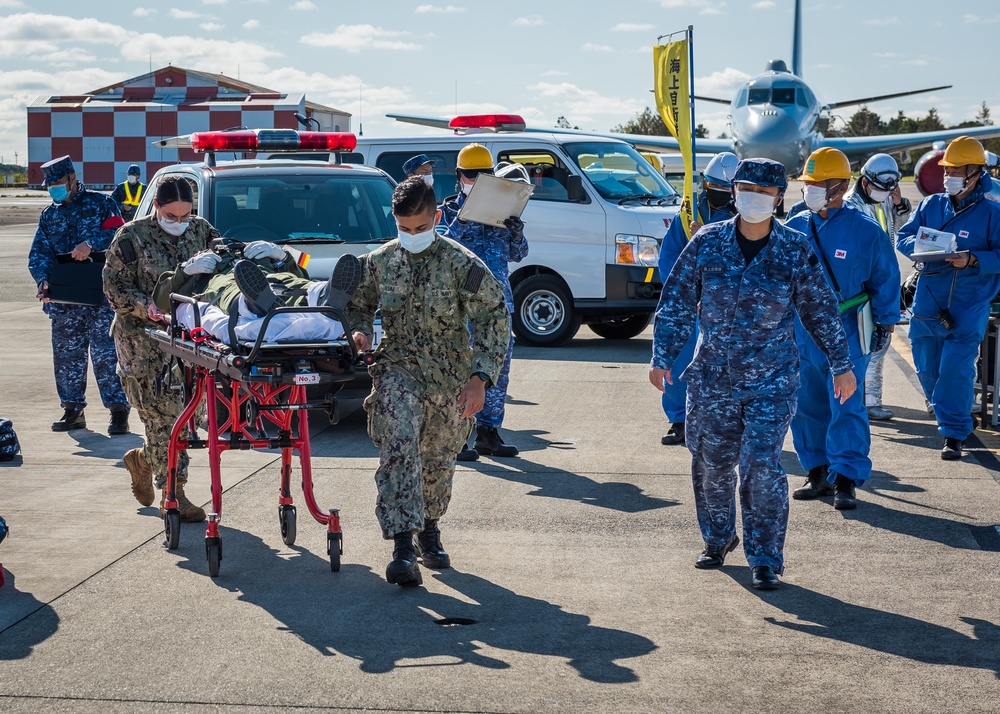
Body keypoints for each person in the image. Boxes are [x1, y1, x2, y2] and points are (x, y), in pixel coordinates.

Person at [648, 158, 855, 591]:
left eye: (763, 192)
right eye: (746, 189)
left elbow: (820, 310)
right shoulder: (707, 241)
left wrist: (842, 364)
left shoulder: (794, 249)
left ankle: (764, 558)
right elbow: (678, 301)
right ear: (734, 192)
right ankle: (718, 538)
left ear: (779, 198)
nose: (753, 198)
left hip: (772, 380)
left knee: (761, 466)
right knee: (711, 464)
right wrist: (662, 356)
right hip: (713, 379)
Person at [345, 177, 510, 587]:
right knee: (400, 447)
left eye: (420, 227)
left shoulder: (462, 264)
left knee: (437, 460)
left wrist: (480, 378)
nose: (412, 236)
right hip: (397, 368)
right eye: (404, 228)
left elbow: (493, 317)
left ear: (436, 217)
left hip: (450, 377)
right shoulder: (380, 262)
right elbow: (358, 304)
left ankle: (429, 529)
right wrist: (360, 330)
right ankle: (402, 546)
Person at [104, 176, 225, 522]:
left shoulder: (200, 231)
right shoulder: (132, 237)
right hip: (143, 342)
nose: (179, 223)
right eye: (171, 216)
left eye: (185, 216)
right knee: (163, 419)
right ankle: (174, 493)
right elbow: (114, 288)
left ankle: (142, 460)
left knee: (190, 417)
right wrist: (147, 307)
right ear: (156, 207)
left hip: (188, 341)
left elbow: (223, 263)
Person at [785, 148, 900, 510]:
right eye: (809, 183)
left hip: (848, 329)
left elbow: (885, 279)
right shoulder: (794, 227)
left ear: (841, 186)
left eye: (820, 184)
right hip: (803, 333)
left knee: (847, 405)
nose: (812, 190)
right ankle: (816, 471)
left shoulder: (866, 231)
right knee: (806, 404)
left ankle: (846, 477)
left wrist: (885, 322)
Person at [896, 136, 1000, 460]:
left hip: (969, 303)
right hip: (928, 299)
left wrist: (971, 259)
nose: (949, 176)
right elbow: (904, 237)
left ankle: (954, 434)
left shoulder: (992, 213)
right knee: (927, 368)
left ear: (975, 172)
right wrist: (921, 248)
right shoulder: (931, 205)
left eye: (956, 170)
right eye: (946, 169)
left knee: (956, 369)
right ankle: (947, 412)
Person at [28, 155, 131, 435]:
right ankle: (72, 410)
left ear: (72, 178)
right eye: (49, 186)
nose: (54, 189)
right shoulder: (49, 215)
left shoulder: (102, 204)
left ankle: (119, 411)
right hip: (64, 301)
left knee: (107, 355)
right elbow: (39, 254)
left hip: (101, 299)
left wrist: (91, 243)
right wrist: (42, 281)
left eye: (58, 184)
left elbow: (123, 238)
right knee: (67, 356)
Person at [439, 143, 528, 460]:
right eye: (471, 174)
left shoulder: (503, 211)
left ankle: (489, 432)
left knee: (498, 370)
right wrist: (461, 223)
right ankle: (457, 436)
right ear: (459, 175)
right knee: (462, 369)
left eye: (484, 174)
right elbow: (440, 251)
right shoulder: (448, 211)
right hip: (463, 307)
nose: (476, 179)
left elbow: (519, 255)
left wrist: (516, 233)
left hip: (498, 304)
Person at [657, 151, 739, 446]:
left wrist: (706, 237)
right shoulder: (690, 213)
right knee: (680, 359)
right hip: (691, 301)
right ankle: (679, 420)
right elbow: (669, 256)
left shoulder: (746, 218)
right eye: (711, 187)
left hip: (726, 307)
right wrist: (682, 292)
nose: (714, 194)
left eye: (722, 190)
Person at [151, 242, 360, 344]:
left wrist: (283, 257)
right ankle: (251, 305)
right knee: (231, 291)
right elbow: (162, 300)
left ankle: (323, 296)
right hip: (227, 283)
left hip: (266, 277)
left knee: (290, 282)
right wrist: (186, 270)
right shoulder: (202, 266)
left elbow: (299, 274)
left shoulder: (258, 251)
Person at [844, 153, 912, 421]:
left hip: (879, 283)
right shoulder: (851, 207)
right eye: (882, 188)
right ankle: (865, 401)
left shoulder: (880, 201)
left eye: (890, 189)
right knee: (865, 347)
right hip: (861, 288)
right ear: (865, 182)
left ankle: (870, 400)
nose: (886, 193)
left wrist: (899, 206)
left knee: (878, 345)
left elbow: (897, 232)